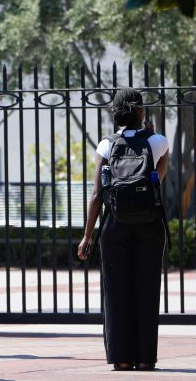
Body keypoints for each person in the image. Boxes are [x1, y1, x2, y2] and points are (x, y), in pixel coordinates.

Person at [77, 86, 169, 371]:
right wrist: (150, 134)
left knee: (115, 294)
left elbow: (96, 194)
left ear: (116, 112)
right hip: (149, 225)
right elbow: (159, 178)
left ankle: (120, 358)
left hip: (114, 225)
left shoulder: (106, 145)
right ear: (140, 111)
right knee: (147, 290)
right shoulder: (159, 142)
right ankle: (144, 359)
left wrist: (87, 236)